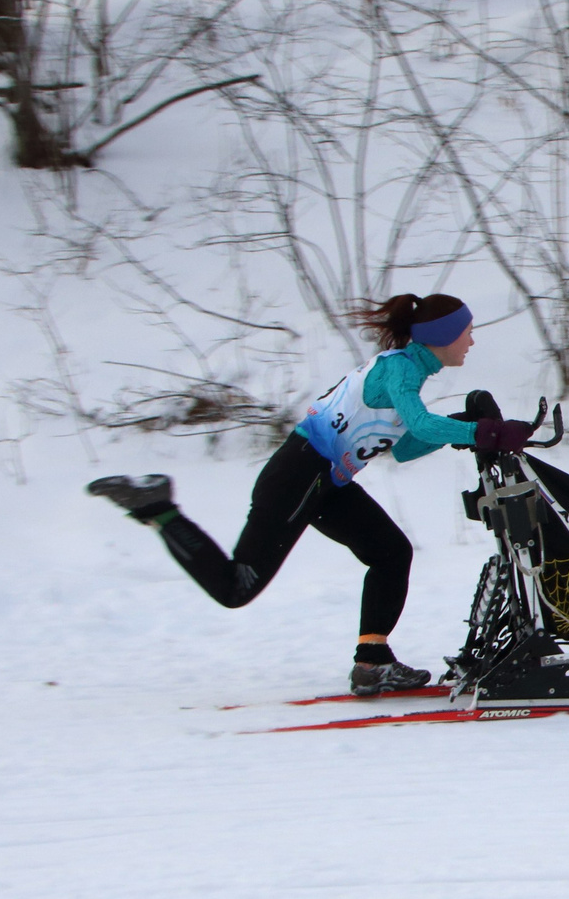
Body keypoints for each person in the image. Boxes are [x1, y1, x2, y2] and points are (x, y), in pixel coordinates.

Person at [87, 293, 532, 696]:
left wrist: (466, 424)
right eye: (468, 332)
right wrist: (484, 431)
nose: (472, 342)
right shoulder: (400, 369)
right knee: (236, 586)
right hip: (301, 474)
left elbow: (407, 447)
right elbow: (419, 426)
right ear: (443, 336)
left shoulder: (408, 371)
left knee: (390, 551)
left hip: (325, 480)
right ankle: (159, 507)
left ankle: (372, 663)